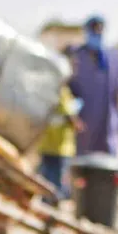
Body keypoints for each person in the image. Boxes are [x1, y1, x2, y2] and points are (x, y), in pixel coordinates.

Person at [69, 15, 118, 157]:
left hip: (107, 124)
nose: (97, 34)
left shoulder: (112, 57)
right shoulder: (77, 56)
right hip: (85, 124)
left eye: (100, 30)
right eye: (94, 31)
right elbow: (69, 89)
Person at [38, 47, 84, 203]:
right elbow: (70, 117)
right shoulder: (62, 92)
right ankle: (50, 215)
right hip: (59, 147)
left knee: (46, 181)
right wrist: (78, 125)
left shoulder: (51, 89)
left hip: (47, 144)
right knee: (55, 185)